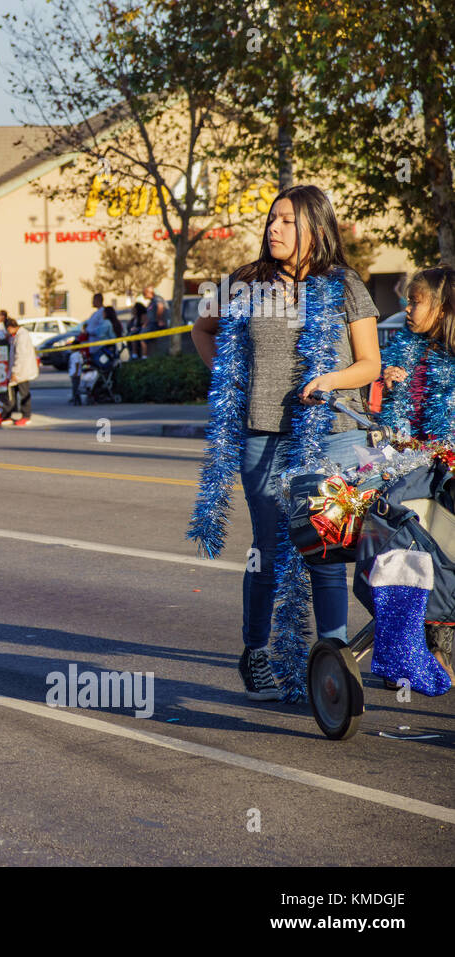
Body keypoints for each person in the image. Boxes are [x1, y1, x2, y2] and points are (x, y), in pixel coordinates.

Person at [190, 184, 381, 701]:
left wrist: (330, 382)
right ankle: (256, 650)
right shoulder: (242, 283)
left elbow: (369, 364)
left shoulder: (346, 286)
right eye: (271, 220)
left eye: (286, 221)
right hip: (262, 434)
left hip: (336, 436)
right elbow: (201, 328)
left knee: (325, 547)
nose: (273, 229)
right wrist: (228, 380)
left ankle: (331, 664)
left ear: (316, 228)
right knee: (270, 550)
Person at [378, 266, 455, 683]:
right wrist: (390, 384)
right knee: (418, 553)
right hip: (414, 470)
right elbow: (392, 417)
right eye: (407, 300)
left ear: (442, 307)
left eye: (416, 301)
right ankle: (411, 648)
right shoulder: (405, 348)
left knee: (442, 557)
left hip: (445, 473)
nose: (407, 309)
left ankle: (430, 651)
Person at [0, 315, 39, 427]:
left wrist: (15, 372)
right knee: (12, 394)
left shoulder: (22, 336)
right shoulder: (17, 335)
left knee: (23, 393)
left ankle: (26, 416)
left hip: (22, 371)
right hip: (18, 370)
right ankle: (8, 414)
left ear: (11, 327)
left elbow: (20, 356)